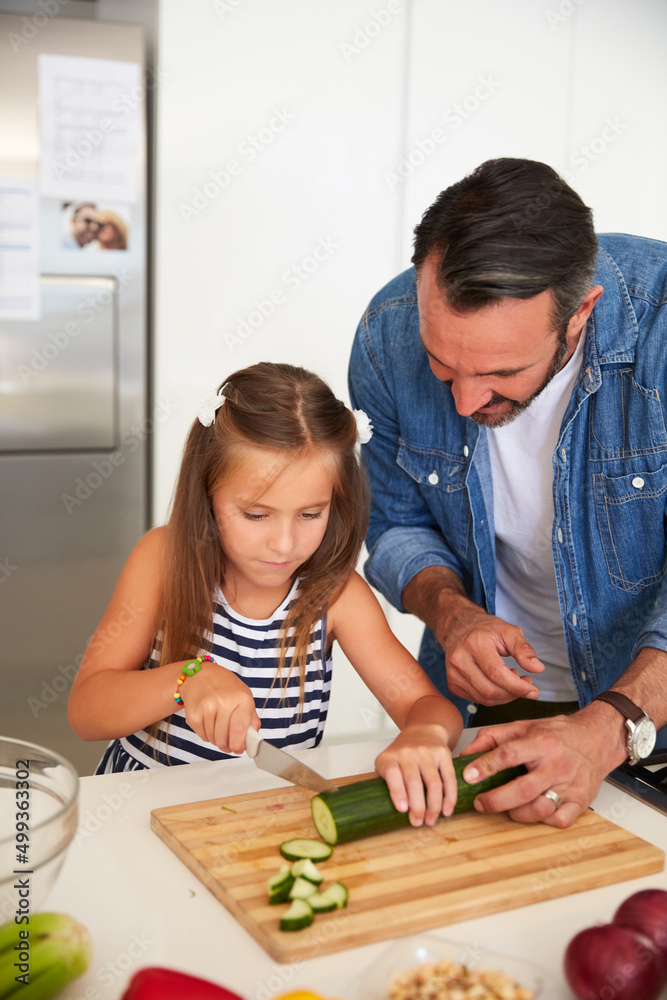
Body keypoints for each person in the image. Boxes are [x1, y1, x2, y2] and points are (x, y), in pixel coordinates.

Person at [349, 157, 667, 829]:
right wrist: (449, 612)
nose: (464, 401)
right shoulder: (387, 330)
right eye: (442, 365)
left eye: (500, 372)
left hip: (647, 712)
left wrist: (613, 723)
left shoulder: (659, 330)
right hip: (486, 711)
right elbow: (396, 520)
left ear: (580, 312)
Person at [68, 362, 463, 827]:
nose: (283, 544)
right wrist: (186, 679)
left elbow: (424, 705)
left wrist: (426, 732)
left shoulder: (336, 597)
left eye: (310, 514)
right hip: (136, 816)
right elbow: (86, 711)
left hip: (263, 820)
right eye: (256, 515)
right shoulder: (163, 560)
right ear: (208, 494)